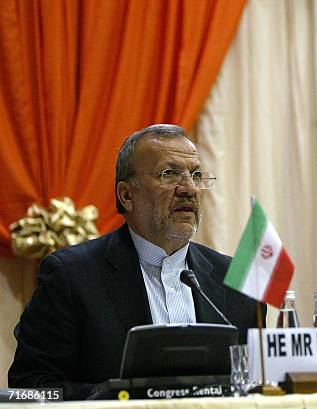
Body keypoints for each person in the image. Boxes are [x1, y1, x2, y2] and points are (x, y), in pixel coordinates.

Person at [8, 124, 264, 399]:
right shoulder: (70, 277)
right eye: (169, 174)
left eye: (196, 175)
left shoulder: (235, 280)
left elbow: (258, 386)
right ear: (127, 195)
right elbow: (31, 386)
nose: (189, 188)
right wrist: (119, 397)